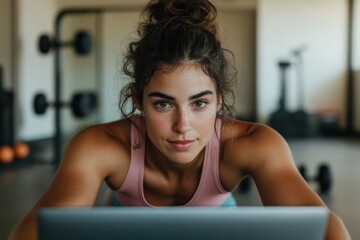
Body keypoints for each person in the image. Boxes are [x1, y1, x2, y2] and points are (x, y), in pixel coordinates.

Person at [10, 0, 350, 239]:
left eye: (199, 104)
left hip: (219, 223)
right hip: (123, 224)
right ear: (138, 100)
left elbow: (325, 226)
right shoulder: (99, 145)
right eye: (163, 105)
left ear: (219, 100)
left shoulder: (253, 144)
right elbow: (37, 229)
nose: (182, 125)